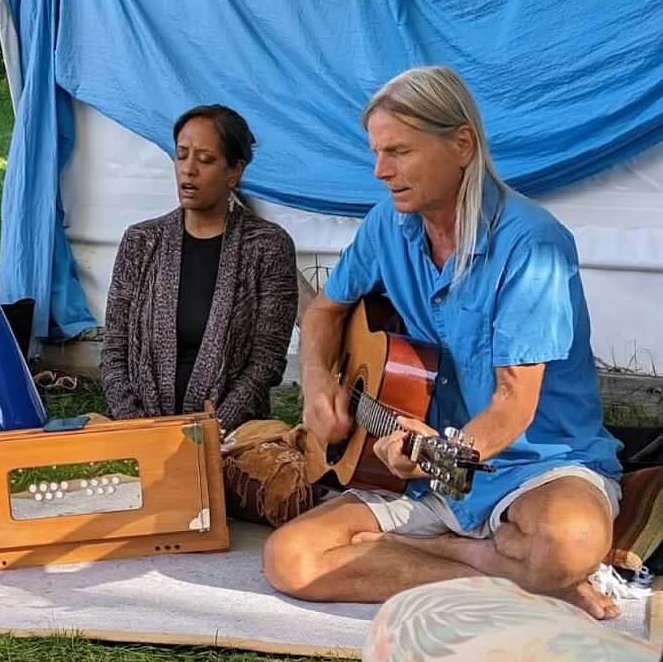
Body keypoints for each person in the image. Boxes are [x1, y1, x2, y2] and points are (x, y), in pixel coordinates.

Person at [262, 66, 624, 619]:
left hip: (536, 466)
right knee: (290, 557)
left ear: (461, 144)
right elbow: (324, 312)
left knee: (566, 543)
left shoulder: (533, 243)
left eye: (399, 152)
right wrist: (317, 387)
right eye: (378, 153)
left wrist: (433, 459)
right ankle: (507, 578)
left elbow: (511, 404)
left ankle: (449, 555)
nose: (381, 171)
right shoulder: (388, 224)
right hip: (420, 479)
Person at [100, 104, 298, 433]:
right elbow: (114, 351)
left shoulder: (268, 246)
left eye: (205, 160)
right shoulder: (141, 241)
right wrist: (139, 429)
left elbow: (266, 361)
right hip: (140, 433)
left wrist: (206, 431)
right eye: (181, 155)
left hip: (229, 435)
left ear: (234, 172)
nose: (188, 170)